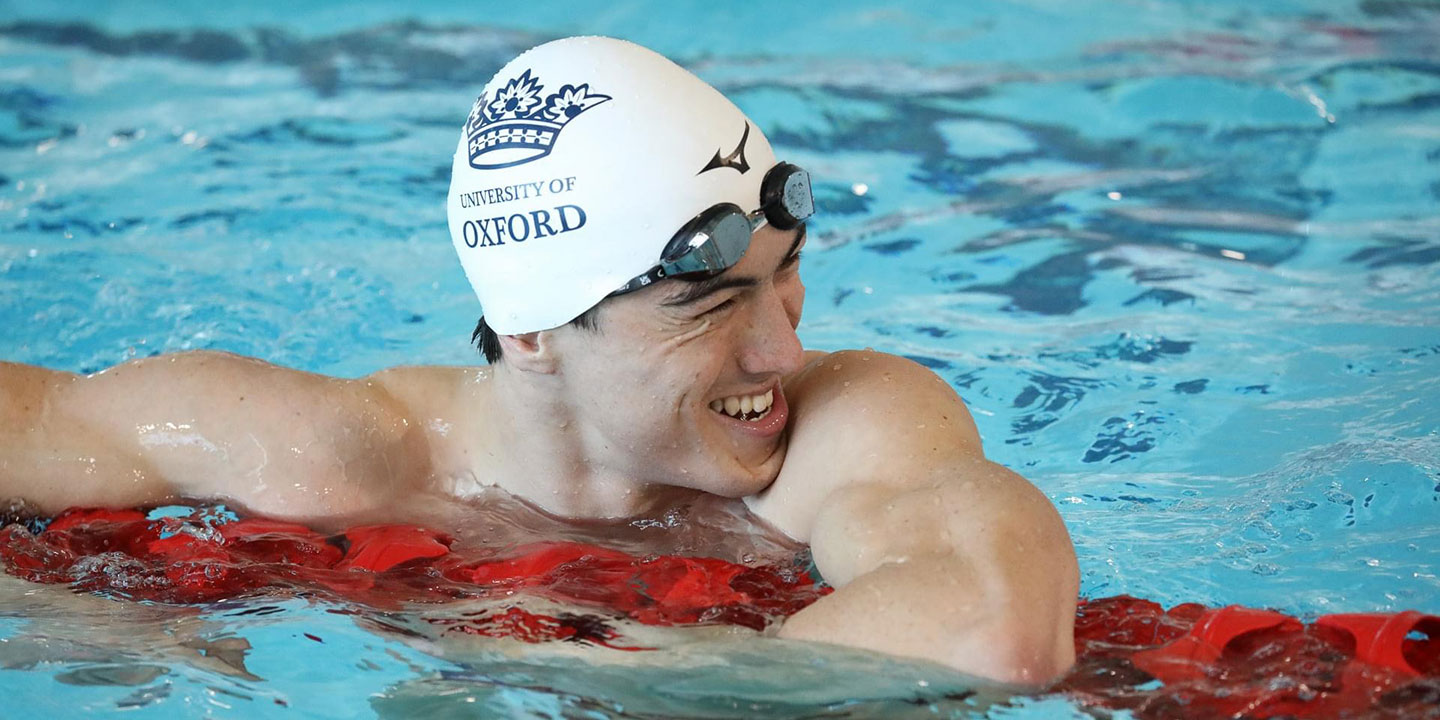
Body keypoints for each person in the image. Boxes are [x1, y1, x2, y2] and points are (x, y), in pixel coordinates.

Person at [0, 37, 1078, 686]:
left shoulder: (856, 425)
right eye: (708, 302)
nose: (787, 347)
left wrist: (543, 654)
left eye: (786, 274)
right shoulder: (336, 456)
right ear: (530, 329)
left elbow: (995, 632)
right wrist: (63, 607)